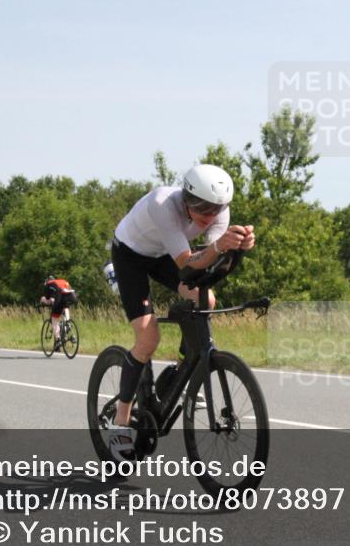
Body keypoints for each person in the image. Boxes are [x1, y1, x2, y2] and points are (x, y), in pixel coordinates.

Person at [107, 164, 255, 458]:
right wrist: (219, 247)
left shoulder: (217, 212)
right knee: (148, 340)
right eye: (204, 211)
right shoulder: (163, 204)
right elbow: (188, 263)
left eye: (217, 210)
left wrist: (236, 249)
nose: (211, 217)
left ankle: (181, 372)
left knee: (206, 300)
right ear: (187, 201)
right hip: (131, 256)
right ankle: (121, 419)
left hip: (164, 255)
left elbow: (210, 264)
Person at [40, 275, 76, 351]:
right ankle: (68, 323)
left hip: (61, 298)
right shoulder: (61, 281)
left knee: (54, 319)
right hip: (72, 297)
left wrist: (42, 300)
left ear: (47, 282)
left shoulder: (49, 284)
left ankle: (58, 340)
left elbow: (48, 299)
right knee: (65, 307)